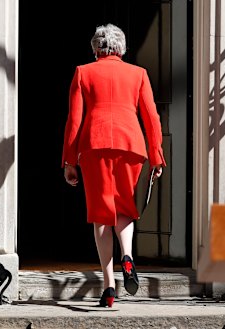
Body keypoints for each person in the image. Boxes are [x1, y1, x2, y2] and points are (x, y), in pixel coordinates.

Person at [62, 23, 166, 308]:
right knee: (124, 206)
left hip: (94, 145)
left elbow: (74, 120)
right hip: (130, 144)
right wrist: (156, 156)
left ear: (96, 47)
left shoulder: (84, 72)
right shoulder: (138, 74)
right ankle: (128, 257)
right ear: (121, 48)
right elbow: (151, 117)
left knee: (101, 214)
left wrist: (69, 161)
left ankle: (109, 287)